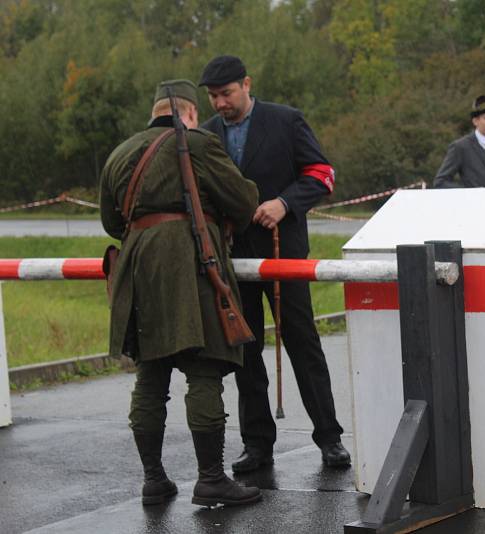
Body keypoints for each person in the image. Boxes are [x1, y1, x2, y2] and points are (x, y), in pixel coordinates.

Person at [99, 79, 262, 507]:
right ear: (189, 112)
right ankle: (211, 478)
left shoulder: (120, 153)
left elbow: (110, 223)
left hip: (138, 270)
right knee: (204, 370)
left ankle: (154, 480)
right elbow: (243, 203)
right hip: (193, 267)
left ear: (154, 111)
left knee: (150, 378)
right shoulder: (199, 144)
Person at [198, 55, 351, 471]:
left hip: (284, 255)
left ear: (246, 84)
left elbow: (321, 174)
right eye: (213, 96)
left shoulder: (286, 121)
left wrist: (284, 203)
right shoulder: (206, 135)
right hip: (231, 261)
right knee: (245, 351)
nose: (220, 103)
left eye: (226, 94)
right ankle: (258, 445)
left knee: (303, 344)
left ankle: (330, 437)